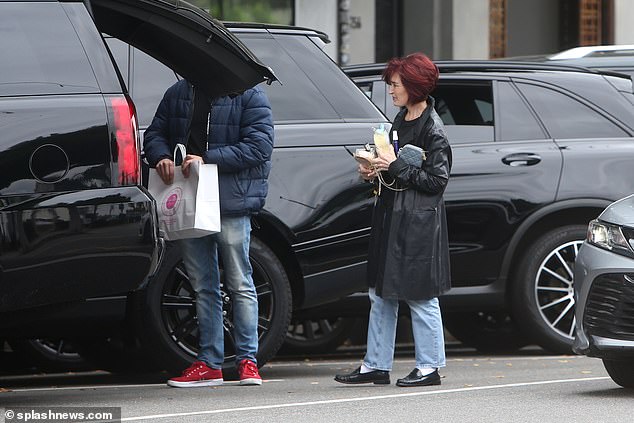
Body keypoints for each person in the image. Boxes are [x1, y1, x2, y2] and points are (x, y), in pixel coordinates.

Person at [143, 80, 274, 387]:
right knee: (203, 286)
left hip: (230, 201)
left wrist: (208, 158)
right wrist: (160, 156)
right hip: (189, 198)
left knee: (239, 281)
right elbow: (154, 134)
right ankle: (210, 363)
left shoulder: (249, 94)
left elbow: (259, 147)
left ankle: (247, 362)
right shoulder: (178, 92)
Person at [334, 52, 452, 387]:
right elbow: (398, 168)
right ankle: (376, 364)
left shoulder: (433, 130)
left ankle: (429, 367)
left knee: (420, 294)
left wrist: (393, 166)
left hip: (417, 224)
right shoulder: (401, 119)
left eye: (395, 84)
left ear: (414, 86)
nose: (390, 90)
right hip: (392, 216)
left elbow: (437, 182)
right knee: (380, 293)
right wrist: (372, 169)